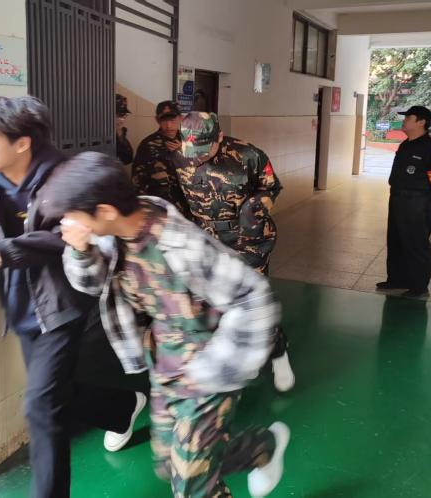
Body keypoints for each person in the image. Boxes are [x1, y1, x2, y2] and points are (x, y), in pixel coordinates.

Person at [42, 152, 291, 498]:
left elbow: (254, 297)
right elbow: (91, 283)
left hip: (210, 361)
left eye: (73, 215)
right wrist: (80, 251)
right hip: (165, 360)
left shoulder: (180, 242)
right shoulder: (109, 236)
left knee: (191, 485)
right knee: (167, 462)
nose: (67, 223)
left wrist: (216, 370)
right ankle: (259, 448)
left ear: (106, 211)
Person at [0, 94, 146, 498]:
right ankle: (122, 407)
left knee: (40, 407)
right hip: (19, 306)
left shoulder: (65, 178)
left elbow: (75, 234)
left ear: (21, 143)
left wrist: (13, 249)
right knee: (57, 394)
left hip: (63, 303)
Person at [174, 111, 294, 392]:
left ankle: (278, 353)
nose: (198, 157)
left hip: (247, 239)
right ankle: (235, 358)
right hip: (205, 240)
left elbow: (272, 188)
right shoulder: (179, 156)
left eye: (205, 149)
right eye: (193, 150)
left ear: (219, 136)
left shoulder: (248, 155)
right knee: (211, 303)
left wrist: (253, 211)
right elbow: (178, 197)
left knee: (253, 302)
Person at [376, 105, 431, 298]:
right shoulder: (406, 144)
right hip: (397, 198)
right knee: (396, 240)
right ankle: (397, 279)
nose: (405, 120)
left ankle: (419, 286)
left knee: (416, 243)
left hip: (416, 201)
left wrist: (428, 195)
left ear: (421, 122)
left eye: (409, 117)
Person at [131, 100, 191, 217]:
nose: (168, 125)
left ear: (181, 118)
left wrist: (184, 151)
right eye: (164, 120)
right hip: (159, 208)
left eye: (172, 120)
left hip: (186, 206)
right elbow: (137, 180)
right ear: (157, 120)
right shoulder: (147, 145)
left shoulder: (189, 142)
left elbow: (201, 171)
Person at [115, 94, 133, 165]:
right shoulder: (96, 135)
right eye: (118, 115)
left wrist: (120, 136)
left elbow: (127, 159)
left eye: (124, 115)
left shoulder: (120, 132)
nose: (122, 120)